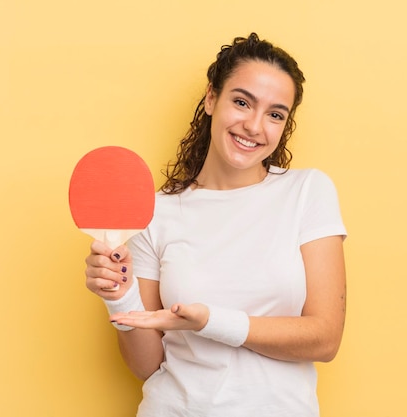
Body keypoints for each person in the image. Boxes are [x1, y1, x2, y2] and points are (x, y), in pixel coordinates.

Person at [84, 33, 347, 417]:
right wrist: (120, 298)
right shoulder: (154, 213)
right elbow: (146, 366)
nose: (255, 126)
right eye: (242, 102)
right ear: (211, 99)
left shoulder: (308, 191)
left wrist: (210, 321)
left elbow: (325, 339)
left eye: (275, 114)